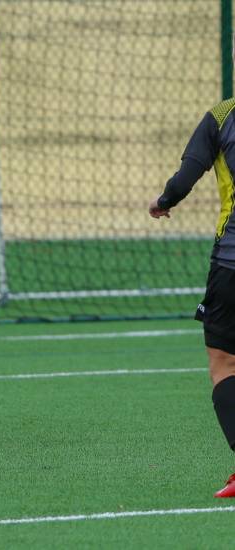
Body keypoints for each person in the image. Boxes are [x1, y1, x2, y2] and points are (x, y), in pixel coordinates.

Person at [148, 96, 235, 497]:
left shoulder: (222, 116)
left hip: (232, 263)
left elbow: (185, 178)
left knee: (224, 363)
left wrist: (164, 202)